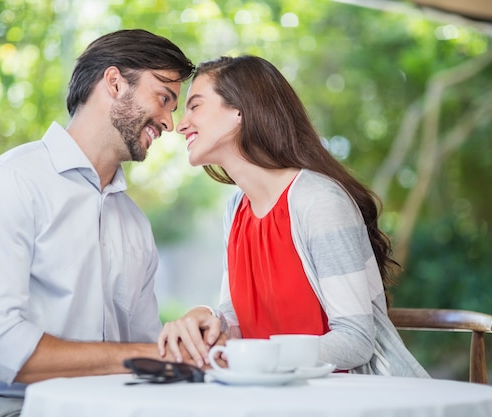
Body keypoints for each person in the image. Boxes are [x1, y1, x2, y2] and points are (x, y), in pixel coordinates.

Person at [0, 29, 195, 417]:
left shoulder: (133, 223)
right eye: (164, 99)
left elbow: (143, 349)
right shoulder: (8, 186)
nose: (170, 122)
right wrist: (151, 355)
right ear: (114, 82)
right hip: (15, 409)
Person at [157, 55, 429, 378]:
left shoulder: (319, 202)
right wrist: (208, 321)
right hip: (271, 396)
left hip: (339, 400)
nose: (181, 124)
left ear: (239, 112)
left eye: (195, 106)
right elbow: (238, 319)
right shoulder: (236, 209)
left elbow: (356, 342)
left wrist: (260, 355)